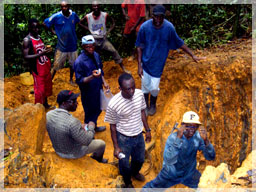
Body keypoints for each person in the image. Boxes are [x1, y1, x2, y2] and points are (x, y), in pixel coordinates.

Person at [136, 5, 206, 116]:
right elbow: (139, 46)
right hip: (146, 63)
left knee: (154, 87)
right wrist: (139, 65)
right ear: (152, 16)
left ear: (164, 16)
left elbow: (179, 42)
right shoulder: (145, 27)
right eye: (156, 17)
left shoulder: (169, 28)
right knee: (144, 86)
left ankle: (153, 105)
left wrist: (193, 55)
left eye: (161, 17)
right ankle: (145, 106)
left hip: (158, 65)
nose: (158, 20)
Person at [142, 111, 215, 190]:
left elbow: (211, 157)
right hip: (171, 174)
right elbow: (169, 160)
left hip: (189, 173)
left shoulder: (197, 137)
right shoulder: (173, 138)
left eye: (195, 127)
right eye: (189, 126)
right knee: (151, 188)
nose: (192, 129)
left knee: (205, 187)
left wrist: (206, 141)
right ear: (182, 125)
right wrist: (178, 139)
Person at [104, 73, 151, 188]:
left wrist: (147, 129)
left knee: (139, 159)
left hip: (139, 135)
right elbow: (113, 126)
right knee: (124, 164)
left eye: (133, 87)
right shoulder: (114, 104)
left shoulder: (139, 94)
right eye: (128, 89)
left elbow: (142, 112)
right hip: (123, 138)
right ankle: (128, 182)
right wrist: (116, 147)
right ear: (120, 88)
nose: (132, 91)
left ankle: (135, 173)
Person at [46, 90, 108, 163]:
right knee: (101, 144)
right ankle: (97, 160)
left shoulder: (48, 115)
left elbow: (63, 127)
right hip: (72, 153)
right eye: (73, 101)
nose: (76, 103)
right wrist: (91, 127)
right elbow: (87, 141)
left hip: (58, 150)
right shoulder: (72, 122)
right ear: (64, 103)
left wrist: (79, 127)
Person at [79, 1, 130, 73]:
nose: (96, 7)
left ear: (99, 6)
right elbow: (80, 23)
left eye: (97, 6)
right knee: (93, 56)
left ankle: (123, 68)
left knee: (113, 51)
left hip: (103, 39)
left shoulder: (104, 15)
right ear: (92, 7)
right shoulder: (88, 16)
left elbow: (113, 22)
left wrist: (109, 31)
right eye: (94, 6)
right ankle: (92, 71)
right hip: (94, 40)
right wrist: (88, 29)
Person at [73, 35, 109, 132]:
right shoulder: (79, 62)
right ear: (83, 47)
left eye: (92, 46)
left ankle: (94, 127)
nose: (90, 48)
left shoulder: (96, 55)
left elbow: (100, 70)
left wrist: (104, 82)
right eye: (87, 47)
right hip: (88, 92)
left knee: (98, 109)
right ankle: (88, 133)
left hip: (98, 88)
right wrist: (92, 77)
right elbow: (80, 80)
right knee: (89, 112)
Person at [43, 1, 80, 85]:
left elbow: (78, 21)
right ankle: (49, 81)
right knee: (56, 65)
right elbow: (45, 23)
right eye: (62, 7)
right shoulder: (56, 16)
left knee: (73, 64)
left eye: (66, 6)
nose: (64, 8)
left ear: (69, 6)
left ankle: (71, 80)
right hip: (61, 46)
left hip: (73, 45)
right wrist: (52, 31)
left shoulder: (73, 15)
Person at [22, 18, 54, 109]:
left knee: (46, 88)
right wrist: (41, 53)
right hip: (37, 69)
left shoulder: (39, 37)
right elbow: (26, 56)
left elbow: (41, 50)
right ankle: (39, 110)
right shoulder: (27, 40)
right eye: (34, 28)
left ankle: (46, 104)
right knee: (40, 90)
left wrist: (47, 52)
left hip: (45, 67)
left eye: (38, 28)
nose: (37, 30)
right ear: (29, 28)